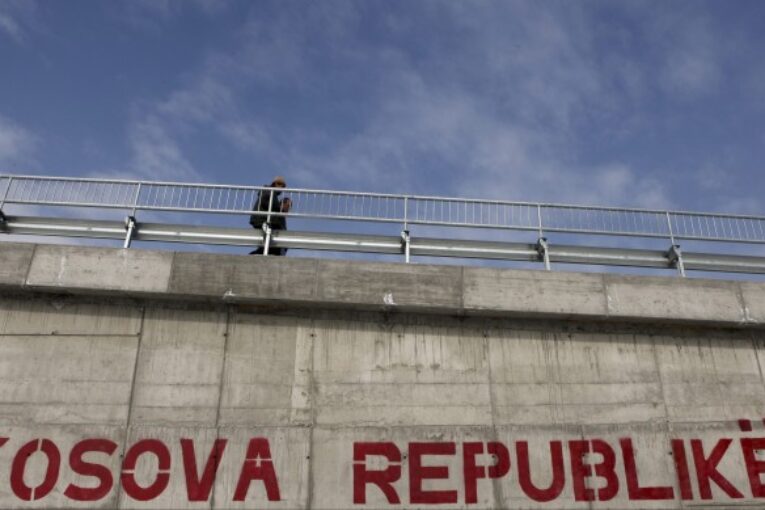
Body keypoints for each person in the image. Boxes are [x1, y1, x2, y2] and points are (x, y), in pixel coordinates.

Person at [250, 176, 290, 255]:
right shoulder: (269, 191)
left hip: (266, 221)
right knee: (275, 244)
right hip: (262, 220)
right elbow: (266, 202)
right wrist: (280, 209)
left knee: (272, 247)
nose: (281, 188)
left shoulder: (272, 194)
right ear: (274, 184)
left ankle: (257, 254)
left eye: (283, 186)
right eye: (279, 184)